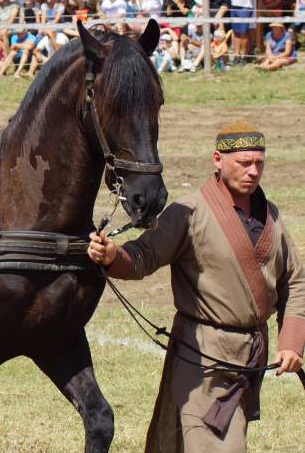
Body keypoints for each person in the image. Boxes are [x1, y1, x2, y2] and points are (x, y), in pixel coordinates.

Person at [88, 122, 305, 452]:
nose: (253, 171)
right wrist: (112, 255)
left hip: (249, 359)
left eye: (259, 163)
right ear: (217, 159)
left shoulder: (270, 216)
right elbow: (143, 255)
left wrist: (291, 343)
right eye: (244, 163)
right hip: (203, 357)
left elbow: (295, 281)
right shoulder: (187, 212)